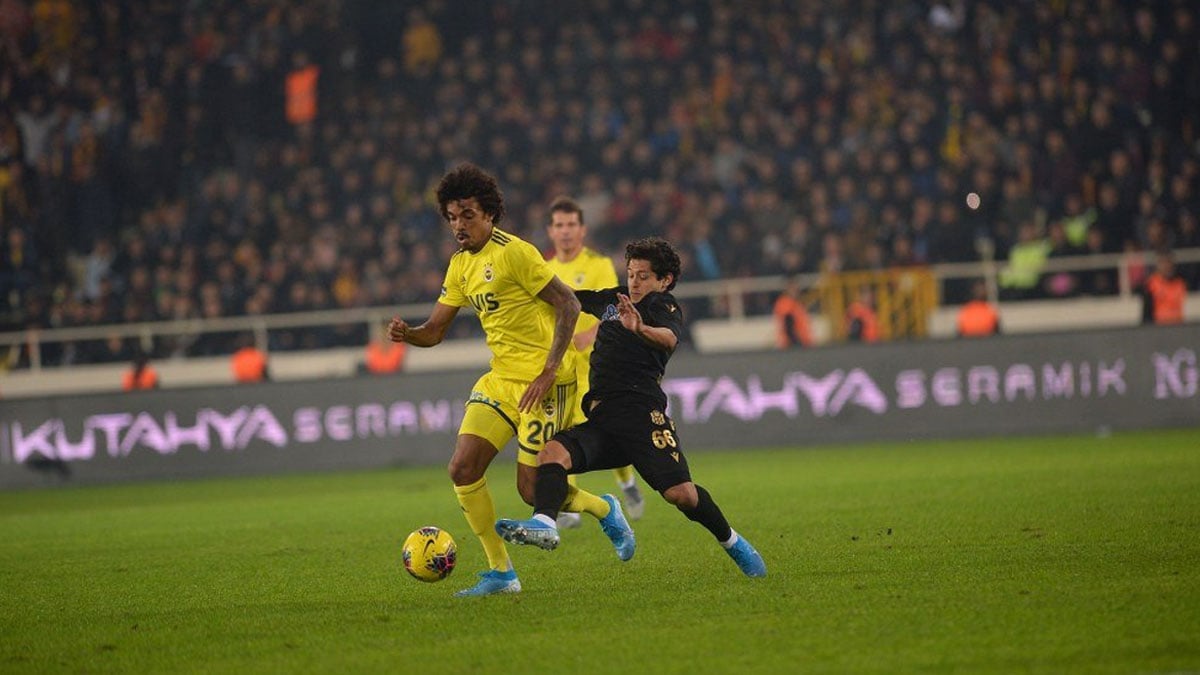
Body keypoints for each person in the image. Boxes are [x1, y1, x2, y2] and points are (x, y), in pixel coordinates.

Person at [387, 164, 630, 597]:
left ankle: (603, 506)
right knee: (462, 468)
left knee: (530, 489)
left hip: (546, 381)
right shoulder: (460, 266)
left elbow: (569, 306)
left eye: (467, 215)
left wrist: (549, 370)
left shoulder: (515, 253)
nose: (458, 225)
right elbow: (436, 332)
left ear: (490, 214)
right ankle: (502, 571)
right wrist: (409, 335)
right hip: (501, 379)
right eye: (452, 217)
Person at [495, 237, 767, 578]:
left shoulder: (663, 308)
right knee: (551, 454)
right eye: (631, 273)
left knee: (681, 495)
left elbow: (668, 338)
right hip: (602, 418)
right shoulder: (614, 299)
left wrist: (639, 328)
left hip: (641, 417)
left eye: (643, 276)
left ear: (664, 280)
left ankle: (733, 542)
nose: (635, 282)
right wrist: (519, 285)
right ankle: (545, 523)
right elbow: (565, 298)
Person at [545, 195, 645, 528]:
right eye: (559, 225)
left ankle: (627, 483)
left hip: (596, 365)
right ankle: (569, 507)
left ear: (583, 229)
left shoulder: (598, 265)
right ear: (551, 231)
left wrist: (589, 334)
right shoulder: (545, 270)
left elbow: (617, 307)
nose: (566, 232)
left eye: (571, 225)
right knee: (562, 430)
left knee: (603, 425)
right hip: (563, 366)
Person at [1141, 251, 1186, 325]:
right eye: (1163, 263)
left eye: (1168, 262)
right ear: (1158, 265)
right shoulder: (1151, 284)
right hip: (1159, 327)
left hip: (1178, 325)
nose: (1166, 266)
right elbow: (1146, 312)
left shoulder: (1180, 283)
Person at [773, 276, 813, 348]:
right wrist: (797, 343)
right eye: (792, 287)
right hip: (793, 345)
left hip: (804, 343)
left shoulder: (797, 303)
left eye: (796, 287)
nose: (795, 289)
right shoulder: (785, 303)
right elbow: (788, 325)